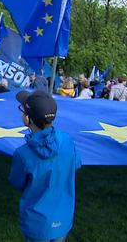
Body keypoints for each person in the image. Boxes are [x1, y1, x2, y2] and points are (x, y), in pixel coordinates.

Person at [10, 90, 81, 242]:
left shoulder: (22, 154)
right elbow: (75, 164)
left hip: (37, 224)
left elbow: (17, 182)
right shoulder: (68, 140)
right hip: (64, 217)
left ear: (28, 119)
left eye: (22, 110)